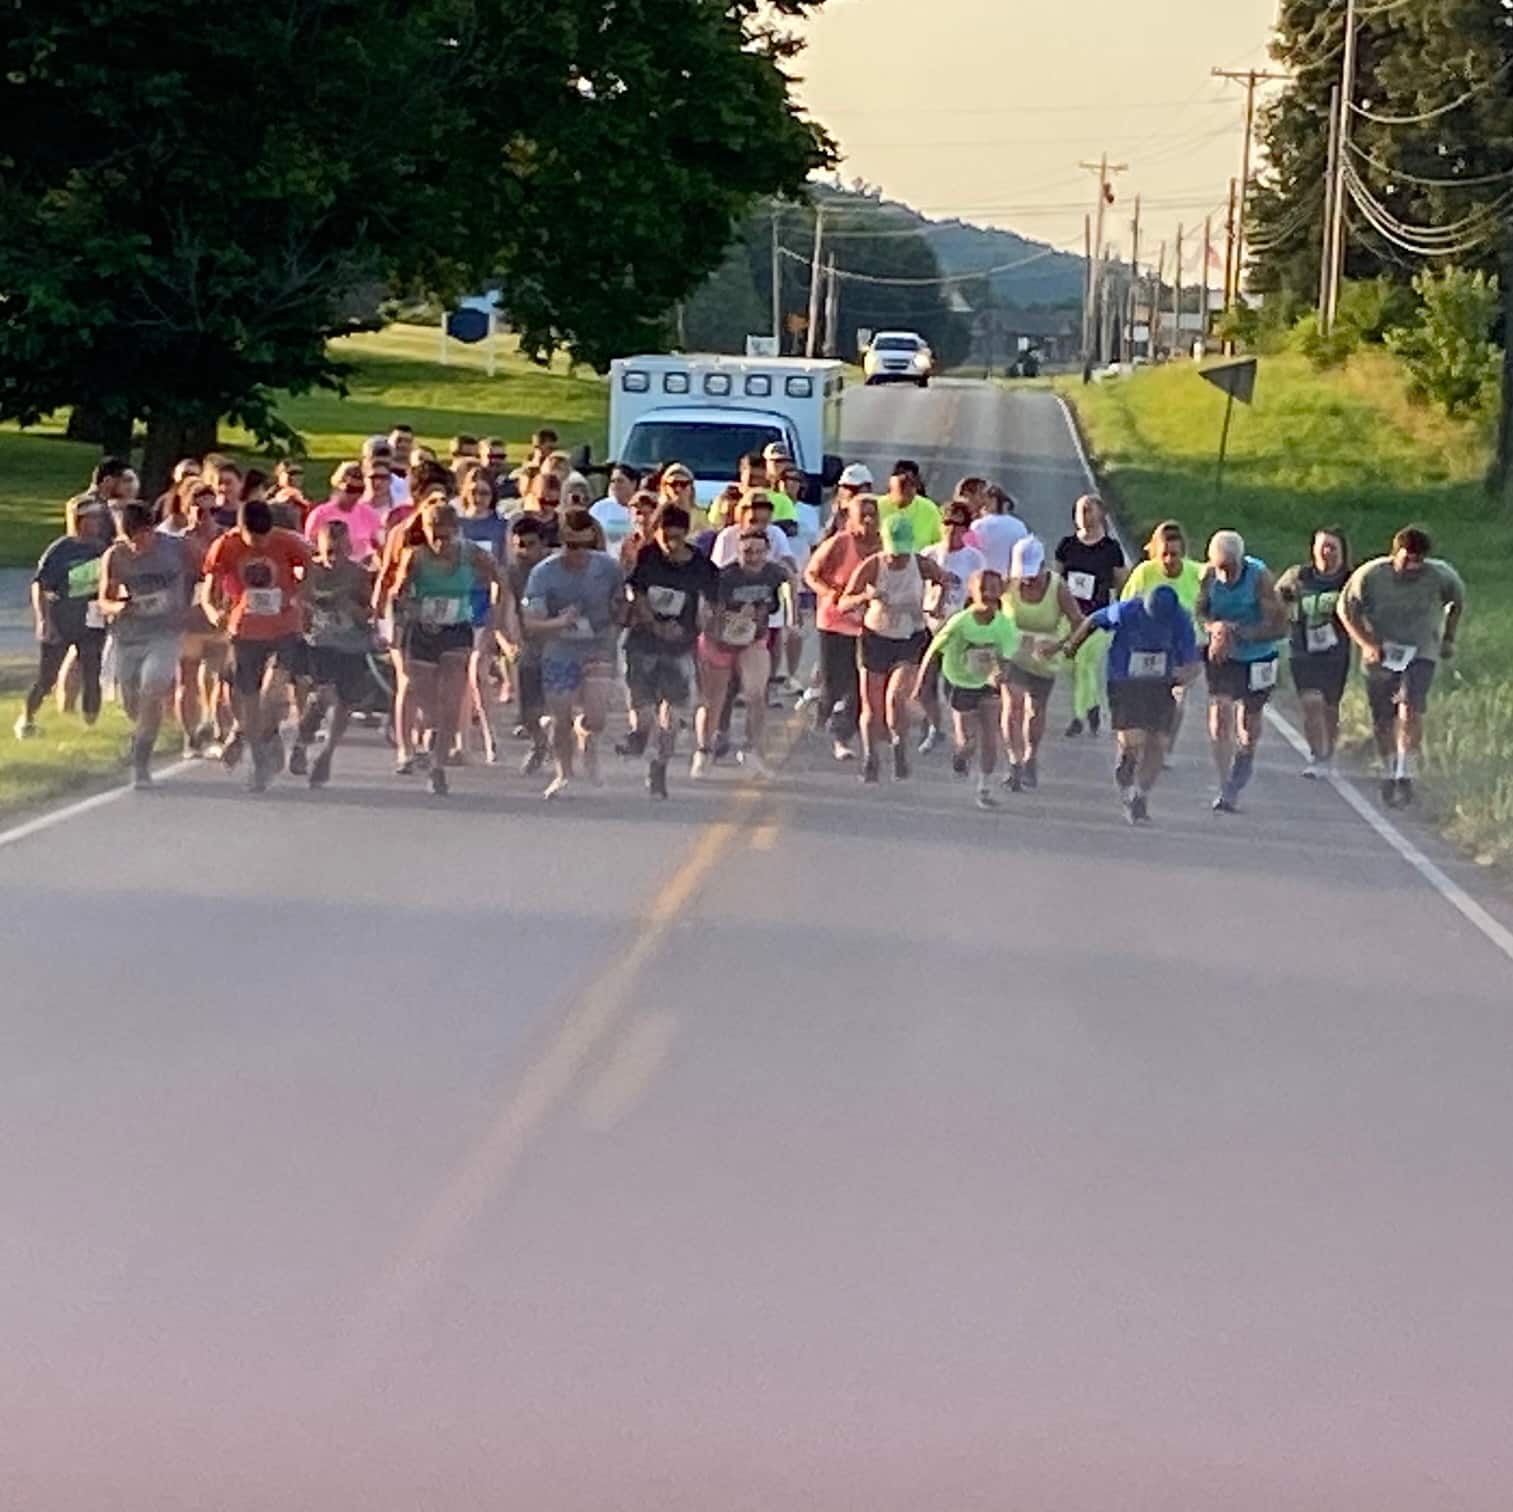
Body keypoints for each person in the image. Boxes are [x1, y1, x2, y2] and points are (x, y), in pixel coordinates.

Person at [1337, 525, 1465, 809]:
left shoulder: (1441, 575)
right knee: (1384, 717)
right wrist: (1367, 643)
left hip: (1421, 650)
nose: (1412, 566)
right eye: (1407, 559)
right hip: (1383, 651)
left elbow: (1458, 601)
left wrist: (1449, 638)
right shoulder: (1370, 575)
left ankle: (1406, 771)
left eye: (1418, 560)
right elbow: (1345, 610)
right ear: (1394, 553)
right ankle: (1388, 769)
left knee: (1411, 705)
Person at [1062, 584, 1203, 824]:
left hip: (1160, 683)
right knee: (1133, 739)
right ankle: (1126, 763)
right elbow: (1094, 620)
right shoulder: (1127, 610)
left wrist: (1183, 675)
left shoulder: (1181, 618)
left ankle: (1141, 796)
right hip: (1125, 680)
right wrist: (1073, 645)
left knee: (1158, 741)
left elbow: (1192, 662)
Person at [384, 501, 498, 796]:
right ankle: (425, 733)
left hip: (456, 630)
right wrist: (408, 614)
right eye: (434, 535)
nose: (439, 543)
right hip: (421, 631)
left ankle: (438, 766)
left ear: (456, 532)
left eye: (445, 536)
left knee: (452, 699)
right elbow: (398, 594)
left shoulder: (470, 553)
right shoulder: (416, 557)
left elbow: (501, 580)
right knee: (419, 690)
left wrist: (495, 618)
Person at [200, 498, 313, 792]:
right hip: (245, 631)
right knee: (246, 699)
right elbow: (208, 592)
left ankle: (262, 736)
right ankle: (259, 753)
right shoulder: (225, 546)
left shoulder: (287, 542)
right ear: (241, 528)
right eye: (255, 538)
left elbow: (312, 569)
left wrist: (298, 596)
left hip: (284, 629)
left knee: (273, 693)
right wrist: (215, 613)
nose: (261, 543)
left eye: (265, 536)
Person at [837, 514, 952, 783]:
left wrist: (937, 604)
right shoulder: (872, 566)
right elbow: (843, 602)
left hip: (910, 637)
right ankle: (871, 757)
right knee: (872, 705)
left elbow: (944, 579)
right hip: (876, 636)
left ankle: (900, 746)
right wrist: (866, 596)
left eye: (902, 552)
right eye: (894, 553)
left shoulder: (920, 564)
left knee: (896, 699)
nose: (898, 558)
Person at [521, 508, 625, 799]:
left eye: (584, 546)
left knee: (596, 717)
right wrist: (559, 622)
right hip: (559, 650)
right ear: (561, 541)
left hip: (597, 645)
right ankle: (563, 774)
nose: (578, 553)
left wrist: (619, 617)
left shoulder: (607, 568)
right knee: (560, 718)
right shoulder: (544, 573)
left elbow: (621, 603)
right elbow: (530, 621)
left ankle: (588, 738)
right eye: (571, 546)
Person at [624, 503, 717, 798]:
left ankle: (660, 766)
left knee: (673, 713)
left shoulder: (700, 565)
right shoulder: (646, 557)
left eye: (677, 538)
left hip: (681, 645)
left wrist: (699, 627)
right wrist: (654, 624)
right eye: (666, 537)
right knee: (644, 713)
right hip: (643, 642)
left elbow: (712, 606)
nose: (671, 544)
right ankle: (639, 737)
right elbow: (636, 594)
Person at [98, 503, 191, 789]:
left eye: (140, 537)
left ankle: (141, 761)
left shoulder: (176, 548)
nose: (136, 546)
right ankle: (143, 734)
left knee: (154, 685)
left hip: (165, 633)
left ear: (152, 530)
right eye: (129, 539)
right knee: (133, 703)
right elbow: (104, 599)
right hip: (129, 636)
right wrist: (118, 607)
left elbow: (207, 572)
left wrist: (191, 606)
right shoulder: (116, 555)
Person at [1195, 530, 1287, 815]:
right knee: (1220, 712)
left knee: (1248, 723)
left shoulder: (1260, 578)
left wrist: (1240, 632)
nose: (1224, 573)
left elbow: (1279, 625)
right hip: (1223, 654)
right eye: (1220, 567)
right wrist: (1215, 629)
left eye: (1229, 568)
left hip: (1257, 654)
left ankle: (1245, 757)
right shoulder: (1208, 576)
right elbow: (1200, 612)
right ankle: (1225, 785)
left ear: (1240, 561)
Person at [912, 569, 1019, 808]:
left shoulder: (1004, 625)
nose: (988, 594)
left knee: (991, 736)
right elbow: (933, 650)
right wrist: (921, 683)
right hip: (960, 682)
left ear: (1000, 592)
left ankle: (984, 787)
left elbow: (1008, 657)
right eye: (982, 589)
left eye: (993, 588)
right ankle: (960, 757)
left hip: (987, 684)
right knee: (968, 742)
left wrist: (1002, 674)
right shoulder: (960, 622)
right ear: (973, 592)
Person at [693, 527, 788, 781]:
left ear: (767, 552)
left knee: (757, 695)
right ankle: (703, 751)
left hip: (753, 640)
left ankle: (752, 753)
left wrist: (780, 617)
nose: (754, 557)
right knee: (714, 700)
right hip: (719, 641)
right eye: (748, 552)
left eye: (759, 552)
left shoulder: (773, 574)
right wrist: (729, 623)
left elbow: (778, 599)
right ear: (738, 552)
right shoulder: (725, 578)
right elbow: (707, 613)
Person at [16, 494, 114, 739]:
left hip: (91, 621)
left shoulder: (102, 549)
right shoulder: (60, 550)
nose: (97, 524)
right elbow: (41, 585)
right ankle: (28, 717)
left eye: (98, 519)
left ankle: (90, 724)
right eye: (91, 518)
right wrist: (44, 620)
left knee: (92, 672)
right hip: (61, 619)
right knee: (47, 676)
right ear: (79, 520)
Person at [290, 518, 374, 788]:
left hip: (351, 643)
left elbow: (370, 611)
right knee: (322, 696)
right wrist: (303, 621)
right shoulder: (310, 572)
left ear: (349, 548)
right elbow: (297, 602)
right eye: (328, 553)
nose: (333, 559)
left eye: (339, 552)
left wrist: (352, 609)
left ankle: (327, 754)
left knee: (345, 703)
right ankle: (302, 742)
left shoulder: (358, 574)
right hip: (320, 643)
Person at [1001, 535, 1083, 791]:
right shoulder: (1007, 585)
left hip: (1043, 660)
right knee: (1012, 705)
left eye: (1032, 573)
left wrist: (1062, 646)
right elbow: (987, 611)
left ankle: (1030, 758)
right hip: (1013, 654)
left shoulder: (1058, 587)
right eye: (1022, 573)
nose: (1027, 579)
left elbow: (1079, 622)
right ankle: (1013, 762)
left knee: (1034, 711)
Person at [804, 491, 880, 761]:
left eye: (874, 515)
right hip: (835, 622)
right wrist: (830, 593)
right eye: (864, 516)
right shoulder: (840, 543)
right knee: (833, 682)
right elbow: (811, 574)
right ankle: (823, 712)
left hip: (869, 625)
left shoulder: (885, 547)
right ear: (851, 519)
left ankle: (842, 735)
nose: (869, 521)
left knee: (860, 684)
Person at [1276, 526, 1353, 778]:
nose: (1326, 552)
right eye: (1322, 546)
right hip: (1302, 649)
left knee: (1329, 707)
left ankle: (1328, 753)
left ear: (1342, 552)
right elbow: (1277, 600)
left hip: (1335, 651)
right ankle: (1316, 755)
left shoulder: (1350, 580)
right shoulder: (1298, 576)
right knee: (1311, 703)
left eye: (1332, 547)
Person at [1120, 519, 1204, 747]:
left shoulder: (1198, 574)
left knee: (1177, 698)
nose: (1169, 560)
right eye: (1164, 554)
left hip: (1182, 647)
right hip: (1147, 646)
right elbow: (1126, 607)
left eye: (1175, 555)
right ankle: (1136, 741)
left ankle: (1165, 746)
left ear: (1183, 553)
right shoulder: (1145, 572)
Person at [917, 498, 987, 752]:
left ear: (966, 529)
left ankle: (964, 734)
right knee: (924, 685)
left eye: (958, 525)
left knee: (954, 688)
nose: (951, 529)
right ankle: (935, 727)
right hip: (928, 625)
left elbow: (980, 596)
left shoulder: (974, 559)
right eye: (947, 523)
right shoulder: (929, 554)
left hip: (958, 630)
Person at [1055, 494, 1127, 737]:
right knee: (1073, 668)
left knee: (1085, 662)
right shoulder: (1066, 545)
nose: (1083, 516)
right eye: (1079, 511)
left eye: (1088, 510)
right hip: (1071, 615)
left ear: (1101, 514)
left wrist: (1123, 616)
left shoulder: (1111, 549)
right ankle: (1092, 704)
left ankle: (1078, 717)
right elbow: (1057, 581)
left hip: (1098, 618)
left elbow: (1122, 585)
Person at [457, 468, 512, 764]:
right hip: (457, 600)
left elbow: (501, 573)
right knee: (459, 676)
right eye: (474, 492)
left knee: (478, 672)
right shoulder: (457, 525)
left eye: (485, 493)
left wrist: (498, 614)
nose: (479, 499)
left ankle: (492, 738)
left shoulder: (499, 528)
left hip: (483, 601)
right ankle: (461, 742)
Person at [502, 514, 551, 774]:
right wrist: (511, 641)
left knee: (559, 704)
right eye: (519, 544)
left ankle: (565, 753)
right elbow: (506, 607)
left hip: (559, 643)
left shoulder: (556, 568)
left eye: (530, 544)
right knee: (528, 713)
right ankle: (539, 742)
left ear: (543, 544)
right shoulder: (511, 572)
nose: (524, 551)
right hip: (528, 644)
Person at [305, 463, 386, 562]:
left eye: (360, 490)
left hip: (366, 568)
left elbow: (380, 545)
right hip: (333, 567)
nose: (355, 495)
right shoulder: (320, 514)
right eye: (350, 489)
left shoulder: (369, 513)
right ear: (337, 486)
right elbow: (308, 550)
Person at [876, 462, 943, 550]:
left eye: (910, 485)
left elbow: (940, 543)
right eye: (901, 487)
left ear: (916, 488)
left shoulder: (930, 509)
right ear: (891, 487)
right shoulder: (876, 506)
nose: (906, 491)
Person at [591, 464, 640, 551]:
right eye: (613, 481)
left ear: (633, 483)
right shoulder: (600, 507)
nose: (615, 485)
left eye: (620, 481)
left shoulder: (643, 506)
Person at [270, 461, 312, 530]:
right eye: (292, 473)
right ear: (279, 475)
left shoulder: (303, 494)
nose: (297, 477)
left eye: (300, 473)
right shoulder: (273, 494)